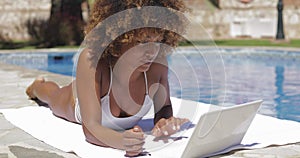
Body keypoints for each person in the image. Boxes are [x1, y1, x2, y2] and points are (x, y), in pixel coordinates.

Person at [26, 0, 189, 156]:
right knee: (54, 96)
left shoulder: (157, 66)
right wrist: (121, 141)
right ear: (118, 37)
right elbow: (90, 128)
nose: (152, 51)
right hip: (77, 100)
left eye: (158, 41)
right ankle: (37, 86)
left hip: (99, 87)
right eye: (142, 41)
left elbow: (164, 108)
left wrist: (164, 122)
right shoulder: (93, 60)